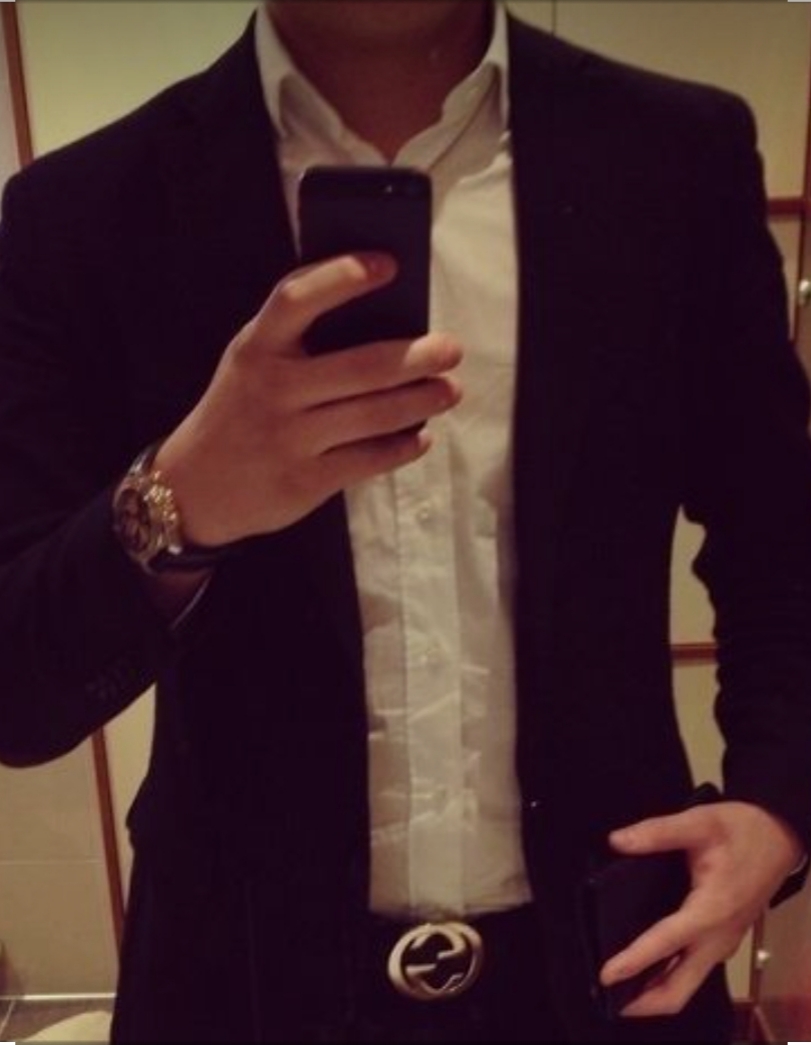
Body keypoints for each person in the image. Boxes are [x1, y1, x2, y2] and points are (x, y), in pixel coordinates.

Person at [1, 1, 810, 1041]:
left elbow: (779, 538)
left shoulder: (676, 156)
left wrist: (778, 802)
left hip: (616, 959)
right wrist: (181, 499)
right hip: (239, 979)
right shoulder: (80, 209)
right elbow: (20, 691)